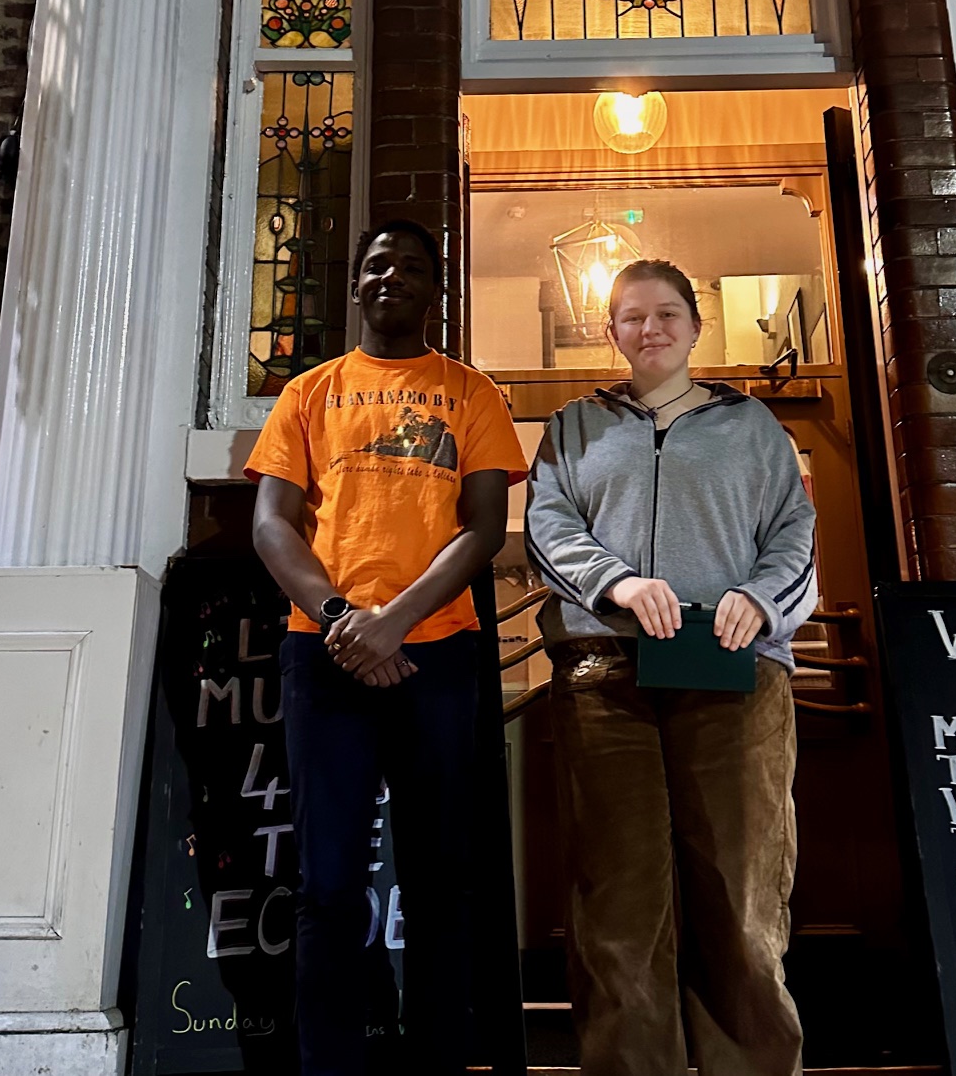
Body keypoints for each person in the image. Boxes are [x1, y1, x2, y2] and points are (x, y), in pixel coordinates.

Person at [248, 218, 527, 1076]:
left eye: (410, 266)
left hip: (436, 657)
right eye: (376, 264)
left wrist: (394, 621)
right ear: (356, 286)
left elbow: (483, 529)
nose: (390, 276)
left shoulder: (472, 393)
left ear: (434, 290)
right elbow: (270, 525)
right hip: (324, 657)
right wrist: (344, 621)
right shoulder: (310, 393)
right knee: (328, 884)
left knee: (442, 881)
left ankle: (437, 1061)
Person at [526, 259, 818, 1076]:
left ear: (695, 325)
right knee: (617, 898)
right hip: (604, 676)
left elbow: (796, 531)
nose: (648, 329)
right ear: (610, 332)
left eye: (665, 314)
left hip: (737, 672)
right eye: (630, 317)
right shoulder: (573, 427)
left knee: (742, 892)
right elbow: (548, 524)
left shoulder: (755, 427)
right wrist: (615, 582)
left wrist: (760, 601)